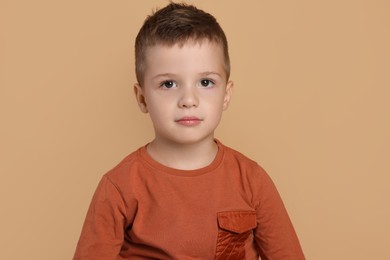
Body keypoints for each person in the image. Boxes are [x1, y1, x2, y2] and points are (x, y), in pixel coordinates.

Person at [73, 3, 305, 259]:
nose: (189, 99)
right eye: (168, 83)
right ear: (142, 98)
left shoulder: (252, 181)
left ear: (226, 95)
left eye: (205, 82)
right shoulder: (119, 187)